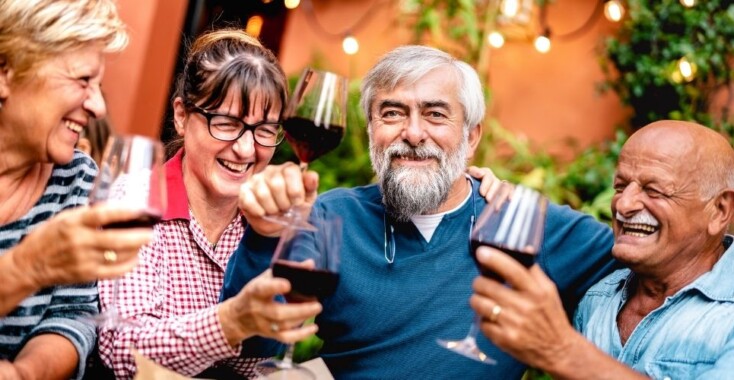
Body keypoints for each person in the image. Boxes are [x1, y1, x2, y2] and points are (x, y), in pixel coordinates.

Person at [223, 45, 618, 379]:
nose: (413, 134)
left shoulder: (522, 221)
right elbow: (253, 345)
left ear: (471, 136)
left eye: (435, 114)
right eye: (392, 113)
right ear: (371, 130)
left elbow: (645, 263)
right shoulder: (330, 215)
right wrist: (265, 234)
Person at [97, 29, 323, 379]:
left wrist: (270, 238)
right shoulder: (136, 199)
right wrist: (231, 322)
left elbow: (261, 359)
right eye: (227, 123)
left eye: (264, 130)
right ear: (182, 115)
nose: (246, 150)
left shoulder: (270, 219)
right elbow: (123, 355)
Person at [471, 120, 734, 379]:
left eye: (654, 191)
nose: (623, 205)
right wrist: (473, 194)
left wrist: (563, 352)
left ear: (719, 210)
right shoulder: (598, 298)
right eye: (620, 187)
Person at [0, 0, 154, 379]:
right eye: (83, 80)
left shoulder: (76, 177)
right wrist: (27, 266)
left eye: (99, 85)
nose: (99, 106)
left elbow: (73, 315)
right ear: (5, 73)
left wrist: (25, 375)